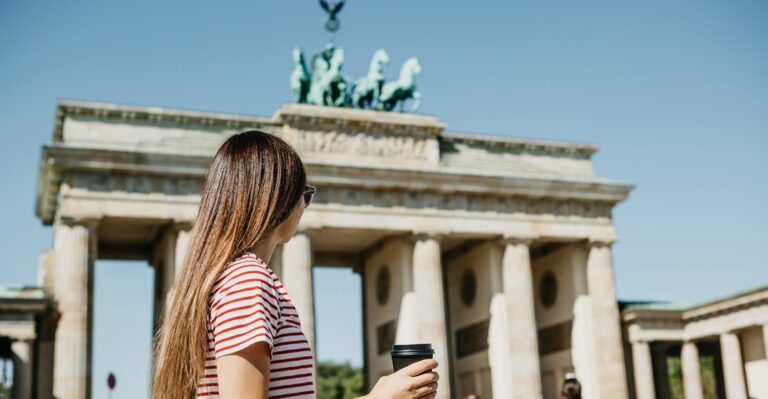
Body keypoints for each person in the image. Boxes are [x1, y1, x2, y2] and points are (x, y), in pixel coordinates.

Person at [151, 130, 439, 399]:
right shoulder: (247, 280)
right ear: (282, 198)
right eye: (306, 193)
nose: (305, 205)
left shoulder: (233, 278)